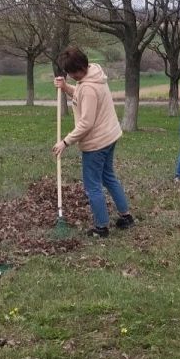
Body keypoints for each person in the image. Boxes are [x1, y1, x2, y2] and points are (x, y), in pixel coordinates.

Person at [51, 46, 134, 238]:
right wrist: (65, 88)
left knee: (92, 185)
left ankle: (101, 227)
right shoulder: (94, 74)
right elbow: (82, 96)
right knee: (108, 177)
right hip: (109, 136)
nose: (71, 76)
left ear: (80, 69)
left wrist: (65, 142)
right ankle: (126, 216)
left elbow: (86, 123)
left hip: (97, 142)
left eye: (72, 73)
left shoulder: (88, 87)